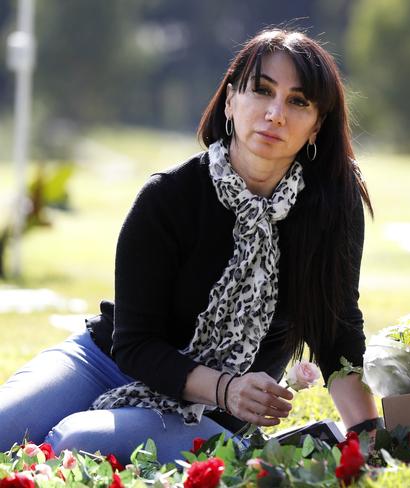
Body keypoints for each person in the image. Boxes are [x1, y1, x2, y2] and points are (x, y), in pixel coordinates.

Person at [0, 29, 380, 463]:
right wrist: (227, 385)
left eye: (298, 101)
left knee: (73, 440)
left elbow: (338, 331)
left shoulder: (331, 203)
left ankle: (249, 451)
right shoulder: (169, 196)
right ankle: (257, 453)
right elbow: (134, 344)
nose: (275, 113)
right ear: (231, 101)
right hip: (106, 362)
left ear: (317, 125)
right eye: (262, 91)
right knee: (4, 427)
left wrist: (368, 437)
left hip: (213, 409)